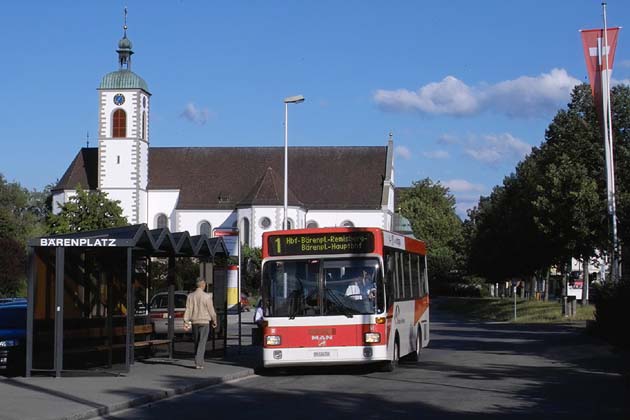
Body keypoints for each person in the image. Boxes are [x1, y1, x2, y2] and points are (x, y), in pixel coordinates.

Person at [183, 277, 218, 369]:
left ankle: (198, 359)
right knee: (202, 342)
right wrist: (214, 320)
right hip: (205, 321)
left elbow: (188, 309)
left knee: (197, 341)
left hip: (194, 321)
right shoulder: (207, 297)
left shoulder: (190, 296)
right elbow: (211, 310)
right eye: (205, 284)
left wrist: (186, 321)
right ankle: (199, 362)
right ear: (203, 285)